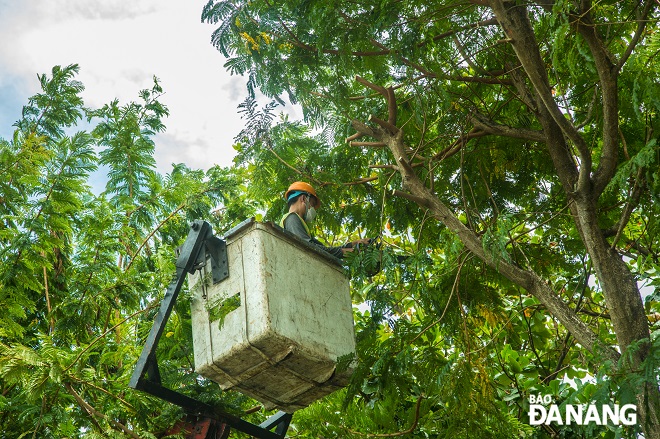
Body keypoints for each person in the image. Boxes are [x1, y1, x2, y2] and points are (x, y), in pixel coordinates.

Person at [280, 181, 370, 258]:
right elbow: (310, 247)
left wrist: (353, 244)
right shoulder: (291, 218)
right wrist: (350, 252)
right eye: (312, 204)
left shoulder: (299, 223)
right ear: (303, 198)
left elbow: (323, 249)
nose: (313, 209)